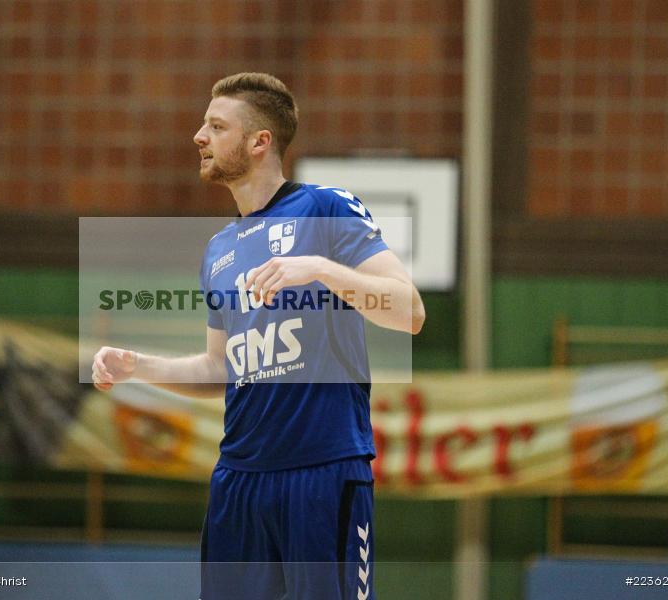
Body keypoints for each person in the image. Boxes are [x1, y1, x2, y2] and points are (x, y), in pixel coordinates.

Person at [92, 72, 425, 600]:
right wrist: (138, 367)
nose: (199, 136)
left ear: (259, 141)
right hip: (239, 478)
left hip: (322, 470)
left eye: (216, 126)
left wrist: (318, 268)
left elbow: (409, 311)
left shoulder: (327, 207)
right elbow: (220, 368)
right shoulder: (219, 250)